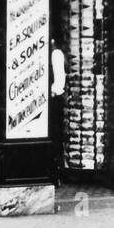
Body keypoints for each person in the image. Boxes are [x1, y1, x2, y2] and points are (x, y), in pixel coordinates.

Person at [49, 34, 67, 184]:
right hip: (53, 99)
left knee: (55, 136)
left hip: (54, 100)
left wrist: (52, 91)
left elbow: (59, 80)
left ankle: (56, 174)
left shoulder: (56, 54)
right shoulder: (54, 53)